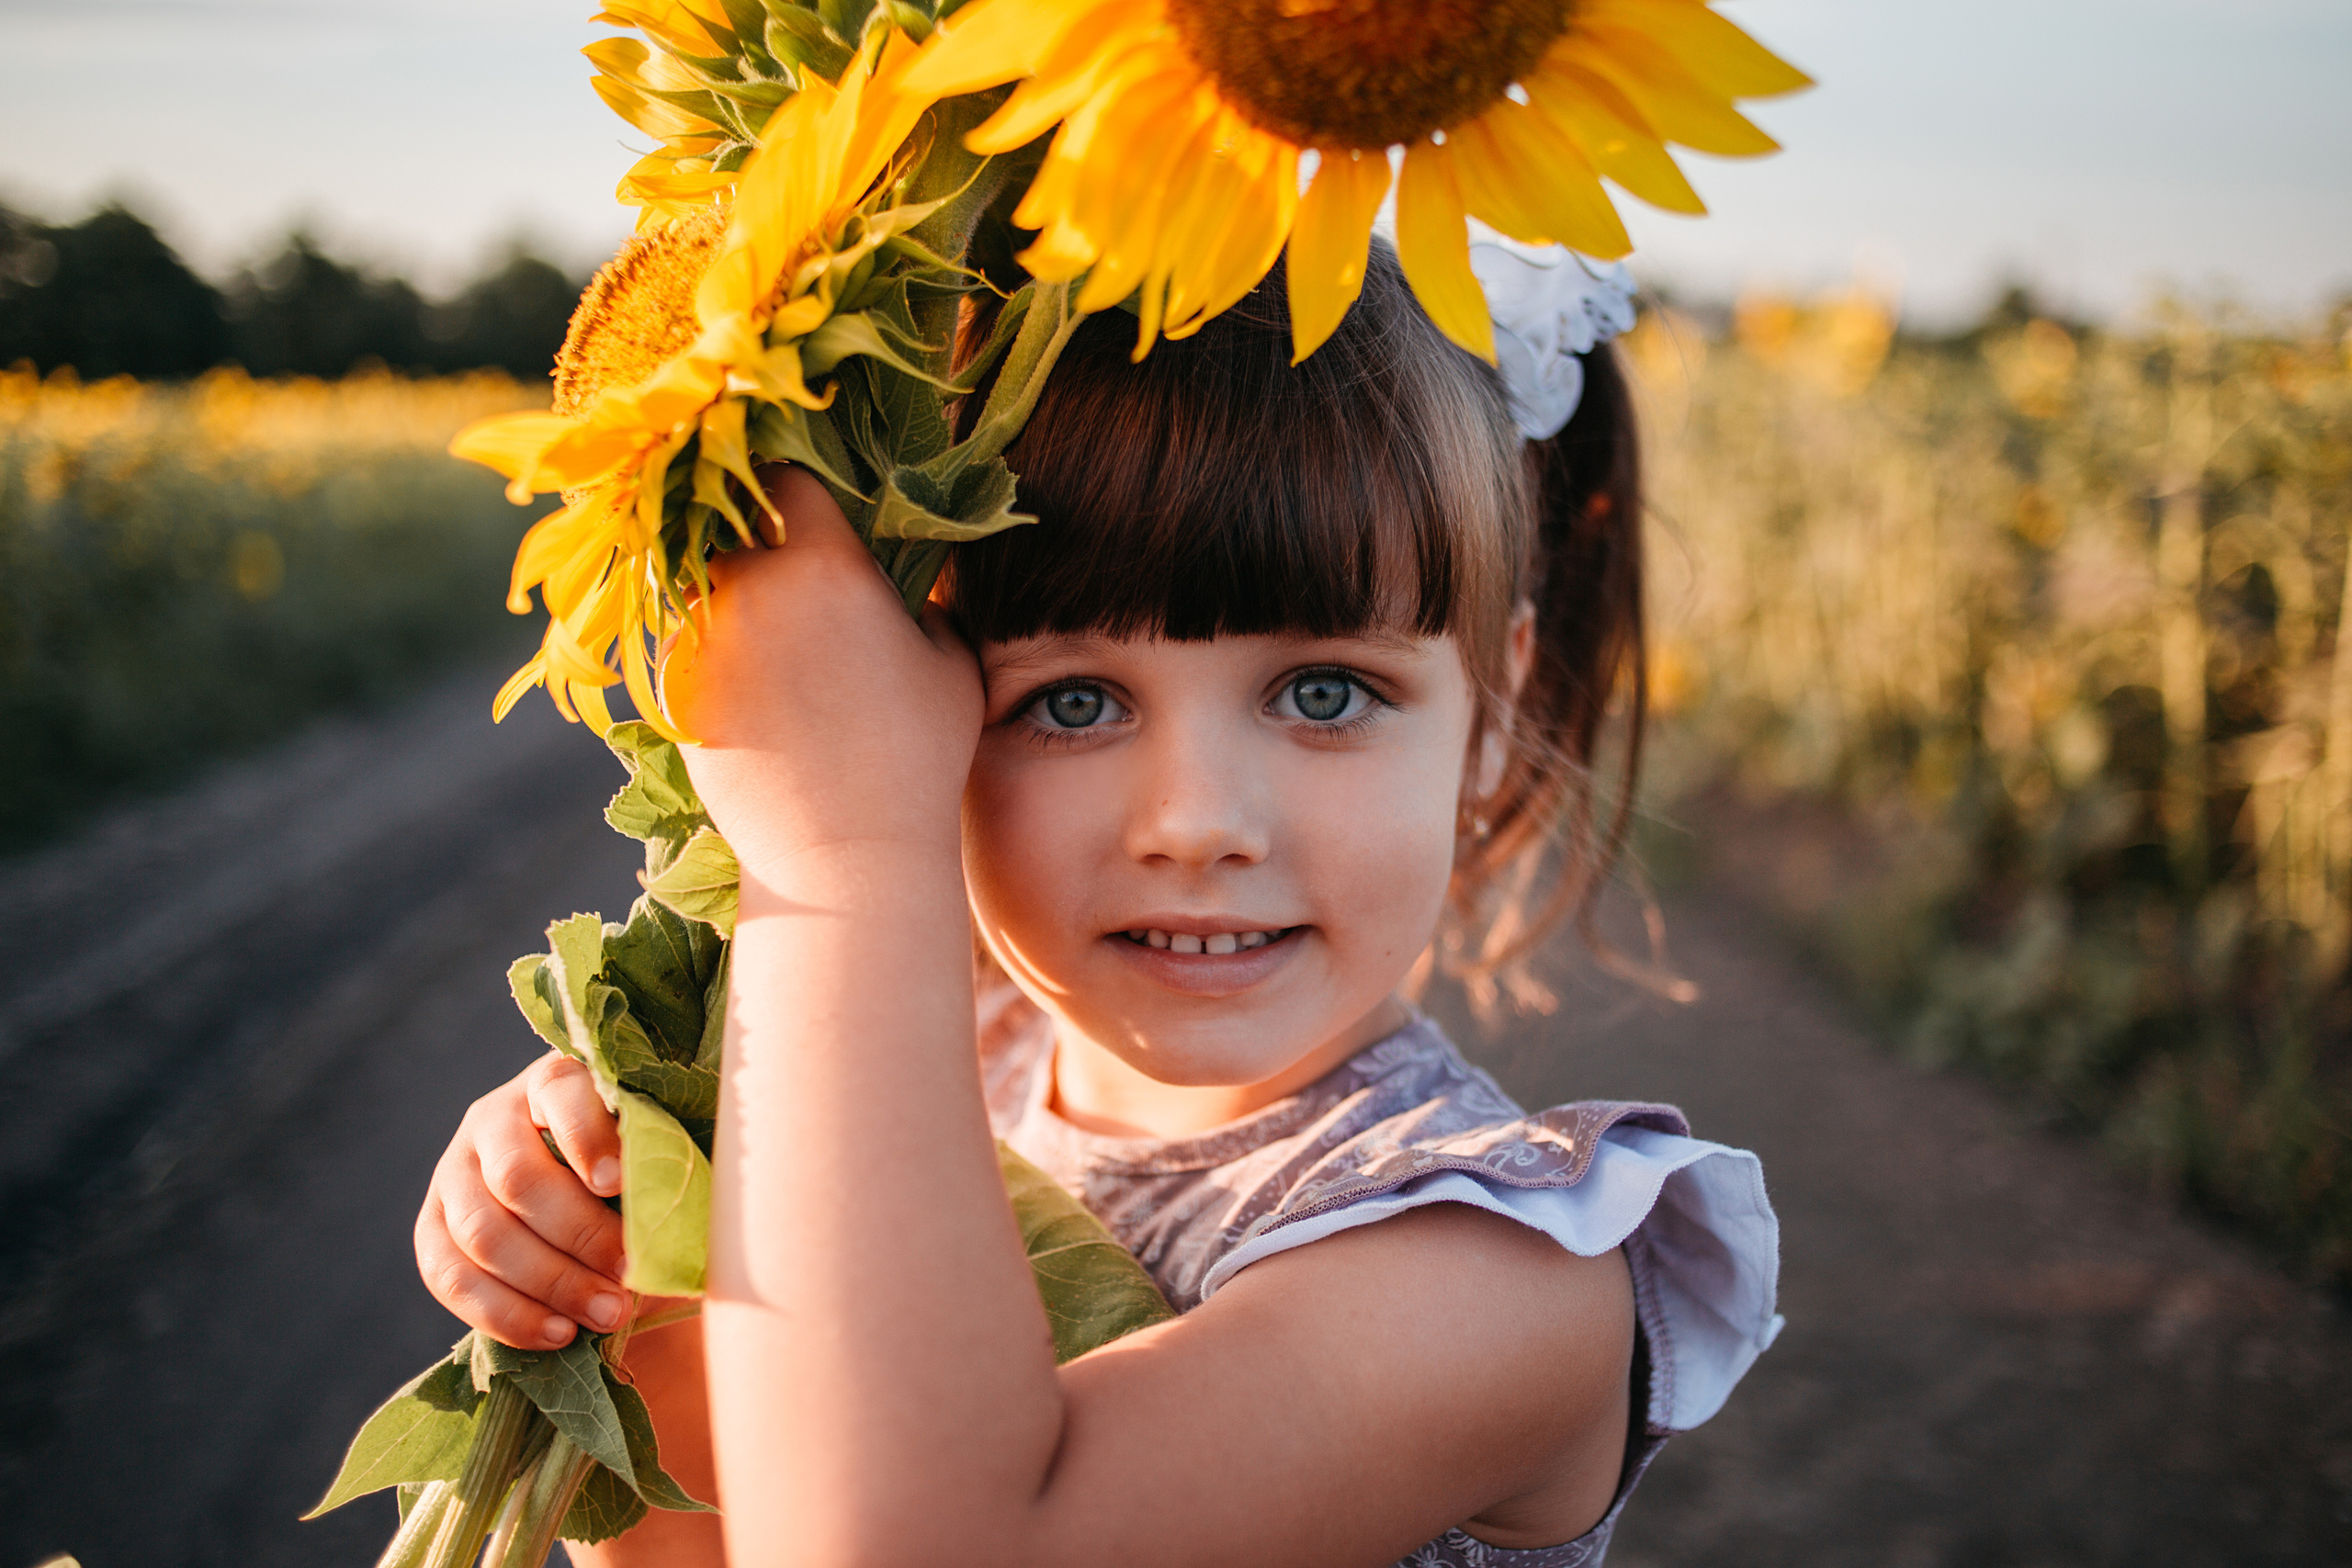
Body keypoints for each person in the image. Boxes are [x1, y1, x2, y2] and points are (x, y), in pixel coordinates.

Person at [413, 241, 1781, 1568]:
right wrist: (632, 1272)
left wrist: (834, 867)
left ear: (1496, 712)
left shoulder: (1507, 1287)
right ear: (920, 708)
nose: (1196, 825)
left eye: (1325, 692)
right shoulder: (953, 1067)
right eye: (1072, 702)